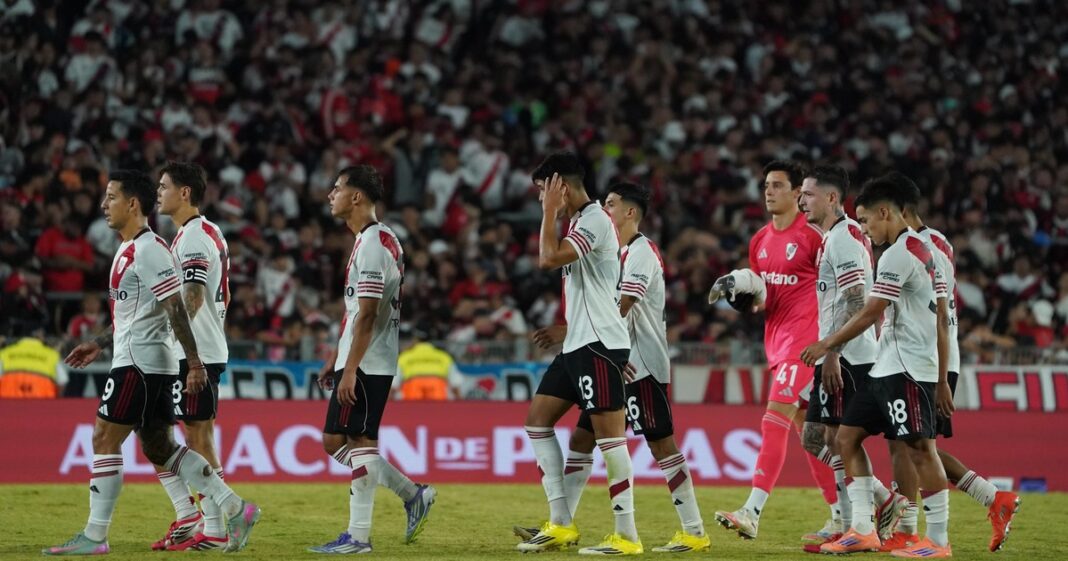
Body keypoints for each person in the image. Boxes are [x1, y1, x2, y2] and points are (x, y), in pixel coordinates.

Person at [44, 170, 259, 556]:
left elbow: (178, 306)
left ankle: (96, 535)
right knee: (159, 445)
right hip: (150, 358)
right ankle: (229, 507)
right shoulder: (138, 247)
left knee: (106, 438)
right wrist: (99, 343)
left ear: (132, 204)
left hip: (141, 363)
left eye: (111, 197)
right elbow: (142, 313)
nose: (103, 205)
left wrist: (194, 362)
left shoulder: (153, 248)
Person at [518, 181, 709, 552]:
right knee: (581, 440)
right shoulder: (613, 251)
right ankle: (561, 523)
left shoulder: (641, 252)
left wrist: (573, 333)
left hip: (639, 363)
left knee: (662, 445)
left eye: (611, 204)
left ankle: (694, 531)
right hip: (611, 358)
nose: (605, 209)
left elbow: (621, 307)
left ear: (630, 212)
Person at [801, 174, 954, 558]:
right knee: (845, 437)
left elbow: (870, 310)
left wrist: (828, 345)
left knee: (920, 449)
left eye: (867, 220)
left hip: (908, 368)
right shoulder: (922, 249)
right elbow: (940, 317)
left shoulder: (900, 254)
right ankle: (864, 529)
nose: (865, 230)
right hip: (887, 367)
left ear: (885, 212)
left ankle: (937, 541)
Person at [886, 172, 1021, 552]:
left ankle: (914, 529)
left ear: (897, 210)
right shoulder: (939, 242)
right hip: (932, 357)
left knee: (913, 446)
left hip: (927, 359)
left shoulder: (919, 247)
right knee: (909, 443)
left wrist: (940, 373)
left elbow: (936, 311)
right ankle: (991, 499)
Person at [516, 153, 641, 555]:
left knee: (611, 440)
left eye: (544, 190)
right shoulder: (579, 223)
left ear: (561, 187)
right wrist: (568, 329)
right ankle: (561, 522)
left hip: (599, 346)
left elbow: (547, 259)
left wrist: (548, 213)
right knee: (538, 422)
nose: (541, 199)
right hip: (579, 344)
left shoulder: (593, 219)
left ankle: (627, 535)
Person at [708, 161, 838, 540]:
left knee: (773, 419)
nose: (769, 191)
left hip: (806, 345)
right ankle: (850, 511)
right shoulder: (760, 241)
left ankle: (751, 511)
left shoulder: (814, 237)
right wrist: (742, 296)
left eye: (778, 185)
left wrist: (832, 345)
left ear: (797, 192)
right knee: (812, 438)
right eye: (766, 185)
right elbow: (764, 298)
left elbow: (833, 291)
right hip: (777, 346)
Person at [310, 165, 436, 554]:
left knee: (360, 442)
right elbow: (356, 312)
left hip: (368, 360)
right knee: (335, 441)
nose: (330, 195)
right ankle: (412, 494)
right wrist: (336, 356)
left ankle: (358, 537)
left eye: (337, 188)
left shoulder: (373, 245)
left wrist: (350, 369)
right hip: (359, 356)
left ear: (357, 197)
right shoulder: (374, 240)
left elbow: (367, 315)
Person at [796, 166, 907, 552]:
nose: (801, 201)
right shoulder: (834, 238)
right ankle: (874, 505)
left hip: (850, 357)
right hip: (840, 353)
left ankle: (859, 523)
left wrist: (832, 351)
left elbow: (858, 299)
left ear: (831, 198)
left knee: (841, 439)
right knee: (816, 437)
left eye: (808, 194)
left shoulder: (843, 238)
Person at [149, 161, 234, 551]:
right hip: (199, 349)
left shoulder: (195, 237)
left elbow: (194, 299)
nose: (158, 193)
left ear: (184, 192)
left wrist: (183, 350)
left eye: (163, 186)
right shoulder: (202, 232)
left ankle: (216, 525)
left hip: (194, 352)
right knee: (166, 431)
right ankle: (196, 518)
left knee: (197, 436)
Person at [0, 332, 67, 398]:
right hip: (42, 402)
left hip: (8, 401)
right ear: (40, 338)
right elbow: (62, 381)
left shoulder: (4, 353)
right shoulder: (52, 355)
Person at [395, 340, 461, 401]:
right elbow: (455, 383)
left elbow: (394, 384)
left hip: (411, 394)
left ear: (415, 340)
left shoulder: (404, 356)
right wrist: (460, 403)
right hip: (438, 392)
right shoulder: (444, 356)